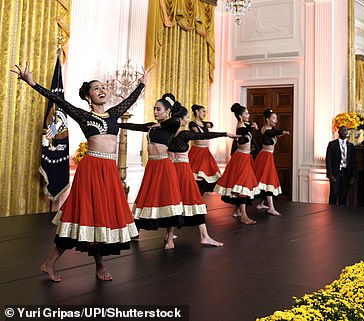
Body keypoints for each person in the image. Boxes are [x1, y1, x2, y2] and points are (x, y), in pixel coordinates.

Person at [12, 63, 145, 282]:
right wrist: (31, 83)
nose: (102, 90)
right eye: (96, 88)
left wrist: (142, 83)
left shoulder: (113, 115)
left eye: (103, 87)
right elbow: (59, 101)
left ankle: (99, 266)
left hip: (109, 171)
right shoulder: (83, 116)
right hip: (91, 170)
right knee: (80, 216)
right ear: (88, 97)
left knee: (100, 218)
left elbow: (130, 100)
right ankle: (49, 263)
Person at [119, 94, 184, 250]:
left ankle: (169, 238)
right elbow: (135, 126)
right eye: (154, 109)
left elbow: (176, 120)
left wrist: (160, 126)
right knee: (146, 196)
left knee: (167, 198)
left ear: (167, 111)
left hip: (164, 165)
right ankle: (136, 232)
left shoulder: (170, 125)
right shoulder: (151, 125)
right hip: (152, 166)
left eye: (158, 109)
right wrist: (118, 125)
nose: (155, 112)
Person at [169, 105, 238, 247]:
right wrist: (225, 134)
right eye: (186, 117)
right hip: (181, 170)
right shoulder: (183, 134)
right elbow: (204, 135)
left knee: (175, 201)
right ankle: (203, 236)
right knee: (191, 200)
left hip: (172, 169)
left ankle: (169, 237)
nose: (188, 120)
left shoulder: (167, 133)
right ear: (181, 120)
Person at [214, 103, 260, 224]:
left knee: (241, 185)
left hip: (245, 158)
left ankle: (237, 211)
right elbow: (244, 131)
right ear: (240, 116)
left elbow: (248, 130)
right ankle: (244, 216)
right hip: (240, 159)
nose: (248, 115)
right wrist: (252, 127)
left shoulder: (245, 124)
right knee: (242, 185)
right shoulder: (240, 127)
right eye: (246, 113)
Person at [253, 108, 290, 215]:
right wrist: (282, 131)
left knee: (265, 180)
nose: (276, 120)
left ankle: (261, 203)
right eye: (273, 118)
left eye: (276, 118)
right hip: (265, 157)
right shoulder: (265, 129)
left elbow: (273, 134)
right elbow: (271, 133)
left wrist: (280, 134)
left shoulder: (270, 130)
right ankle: (271, 208)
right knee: (267, 180)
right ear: (267, 119)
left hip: (268, 156)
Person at [188, 104, 223, 195]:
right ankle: (195, 199)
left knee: (205, 178)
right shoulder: (192, 124)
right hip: (197, 152)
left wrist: (209, 124)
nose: (204, 114)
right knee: (196, 178)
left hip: (205, 152)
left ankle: (200, 199)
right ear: (197, 112)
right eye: (203, 111)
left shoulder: (204, 124)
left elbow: (211, 124)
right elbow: (198, 134)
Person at [326, 126, 357, 205]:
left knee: (343, 195)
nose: (344, 132)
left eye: (345, 130)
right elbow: (328, 160)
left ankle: (341, 214)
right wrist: (330, 174)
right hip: (336, 173)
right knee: (334, 193)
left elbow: (353, 161)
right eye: (342, 130)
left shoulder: (351, 146)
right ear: (339, 132)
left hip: (346, 173)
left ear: (347, 133)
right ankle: (331, 212)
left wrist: (353, 176)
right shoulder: (332, 144)